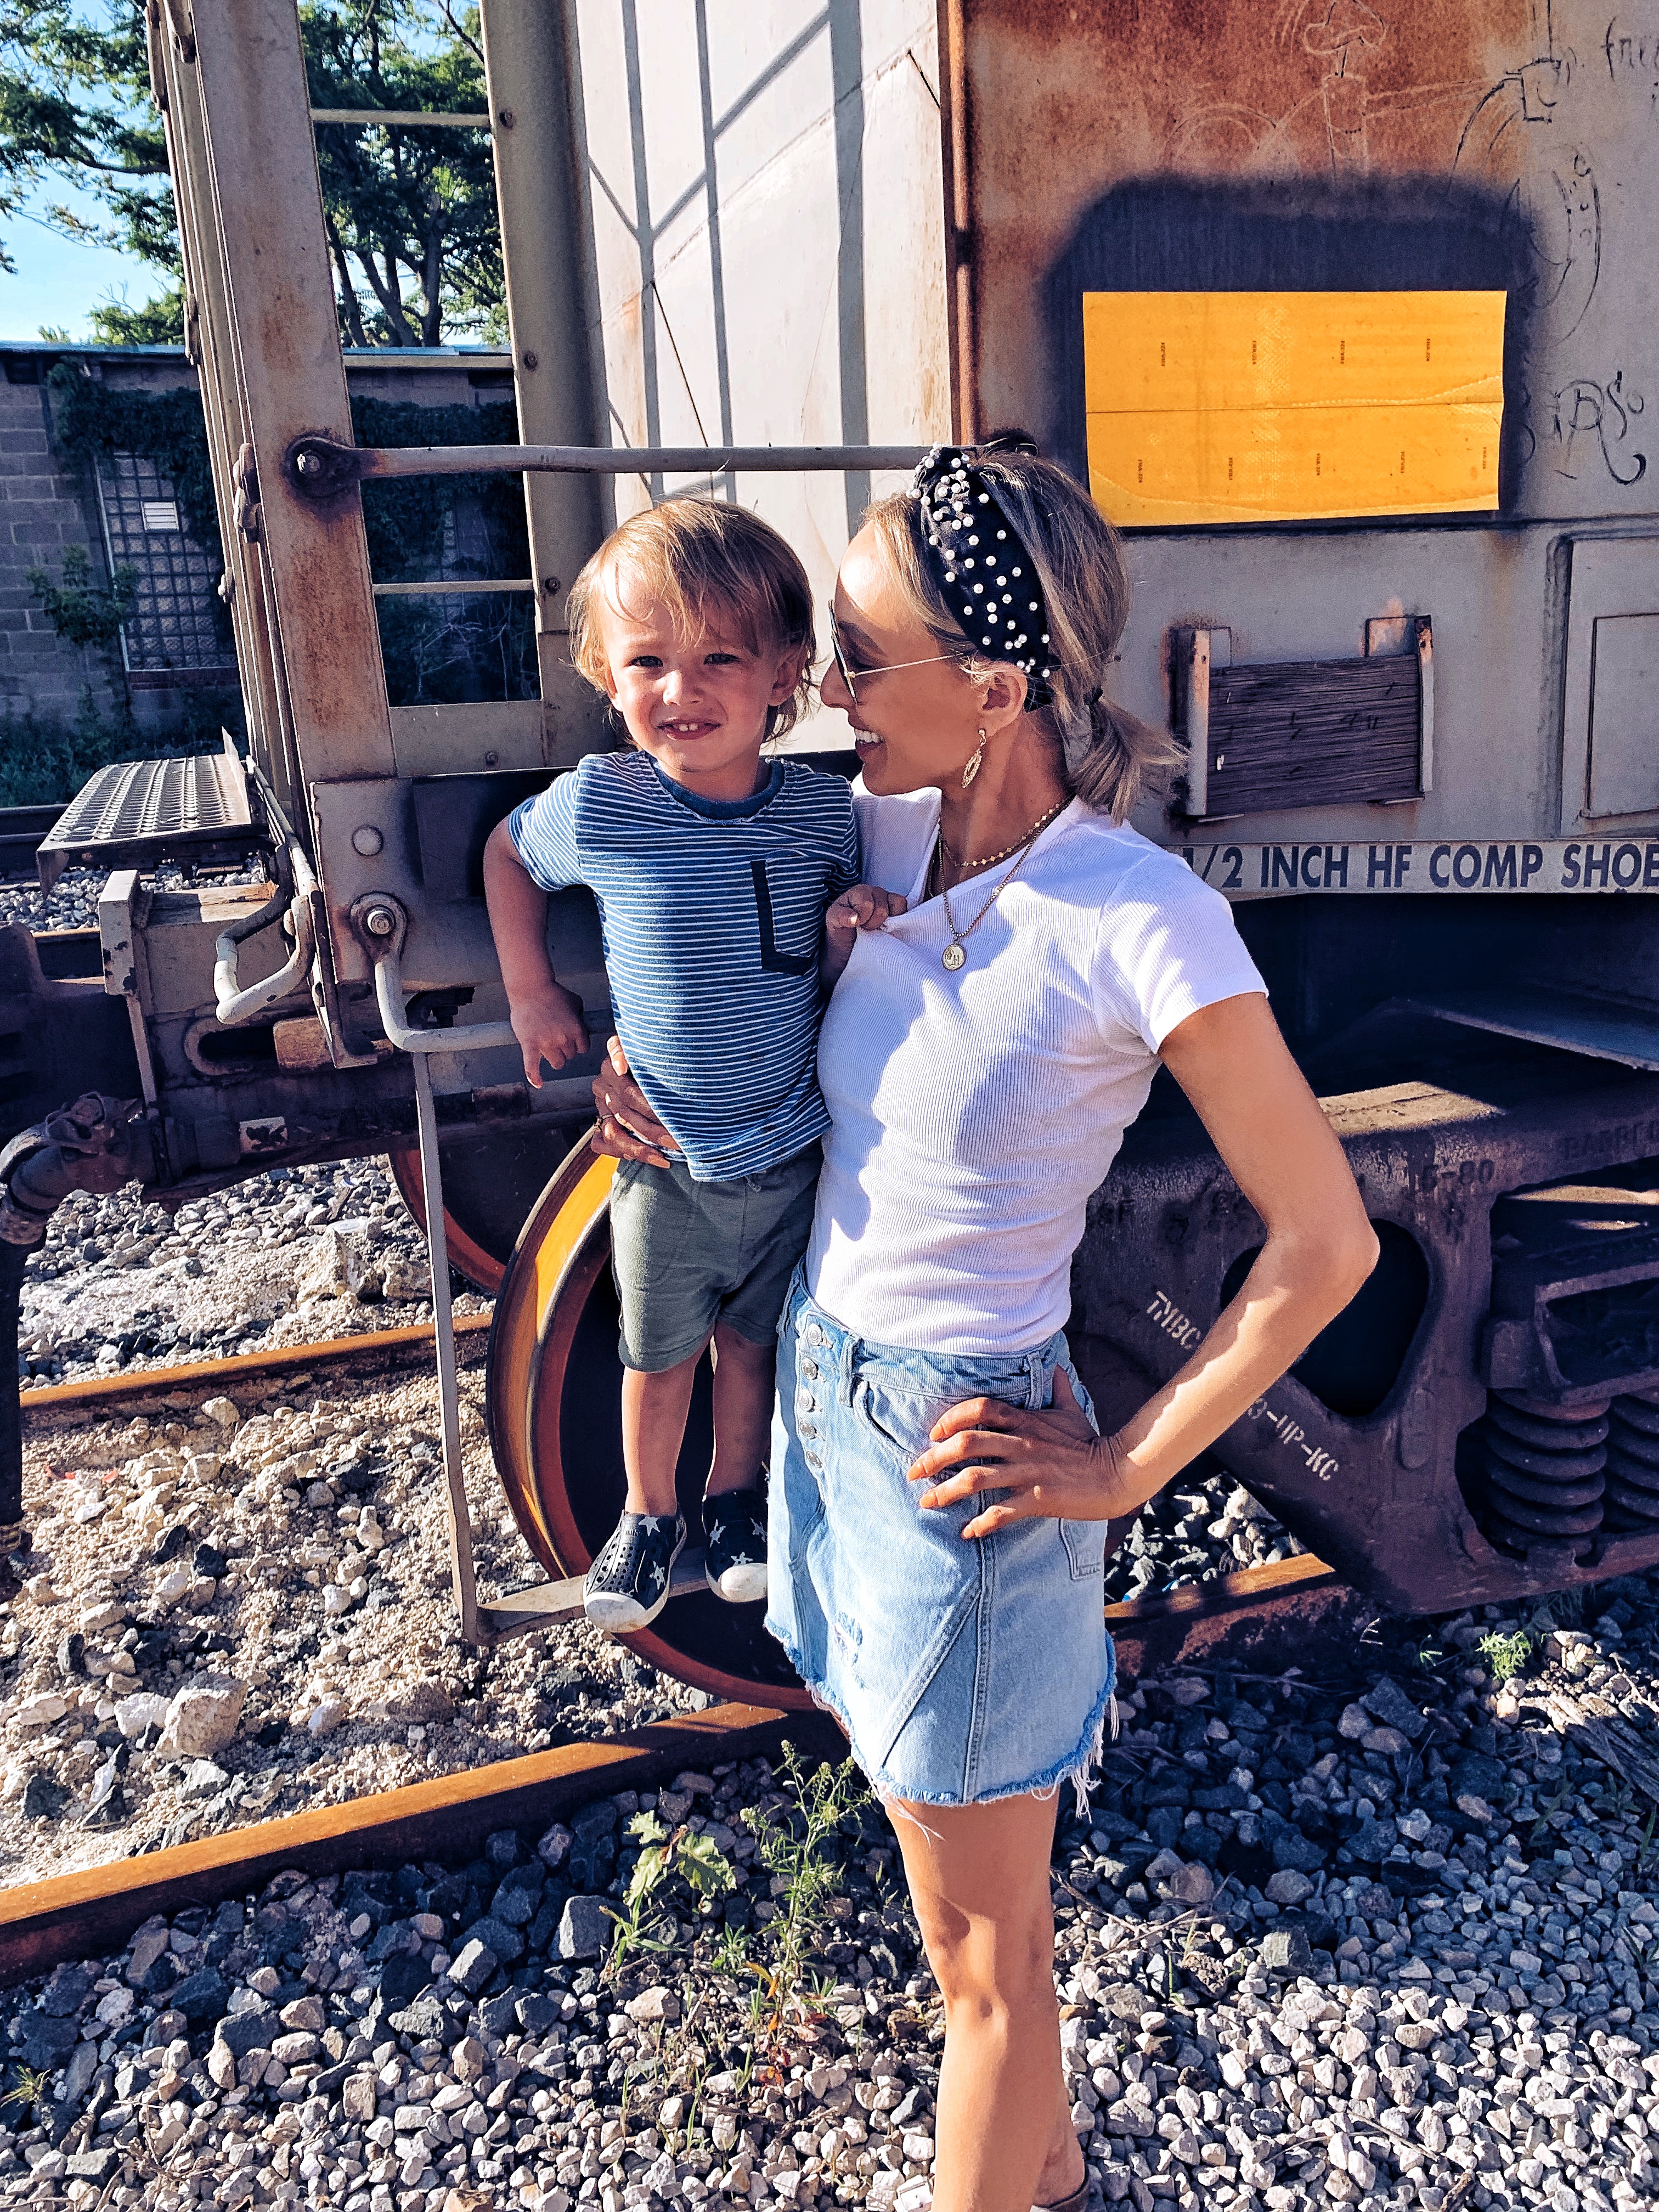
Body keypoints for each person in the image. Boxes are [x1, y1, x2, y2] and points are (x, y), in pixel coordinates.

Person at [588, 435, 1379, 2212]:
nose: (823, 691)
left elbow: (1324, 1240)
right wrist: (641, 1069)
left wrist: (1121, 1471)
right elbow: (671, 908)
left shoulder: (1136, 917)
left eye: (861, 656)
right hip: (826, 1402)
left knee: (982, 1972)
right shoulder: (869, 829)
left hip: (966, 1458)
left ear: (999, 677)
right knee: (959, 1909)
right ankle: (1054, 2179)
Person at [483, 497, 888, 1632]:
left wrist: (851, 931)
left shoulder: (824, 813)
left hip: (789, 1144)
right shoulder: (606, 803)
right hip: (665, 1154)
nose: (681, 689)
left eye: (719, 658)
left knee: (751, 1346)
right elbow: (507, 858)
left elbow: (827, 959)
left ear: (785, 676)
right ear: (608, 678)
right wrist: (532, 991)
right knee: (656, 1357)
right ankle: (644, 1516)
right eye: (649, 661)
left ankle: (731, 1500)